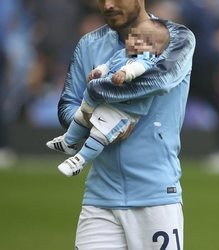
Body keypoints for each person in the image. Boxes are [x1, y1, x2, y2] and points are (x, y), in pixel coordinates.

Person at [57, 0, 195, 249]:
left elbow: (158, 81)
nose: (108, 5)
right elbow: (67, 106)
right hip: (99, 197)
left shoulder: (174, 37)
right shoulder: (89, 44)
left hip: (155, 196)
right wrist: (98, 122)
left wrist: (95, 90)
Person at [46, 19, 169, 177]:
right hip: (107, 100)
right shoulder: (123, 53)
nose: (133, 40)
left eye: (142, 38)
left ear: (155, 48)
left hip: (125, 109)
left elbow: (138, 68)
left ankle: (79, 160)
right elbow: (109, 65)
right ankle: (68, 141)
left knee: (101, 132)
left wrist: (125, 73)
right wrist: (99, 71)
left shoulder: (148, 59)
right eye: (133, 35)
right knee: (81, 116)